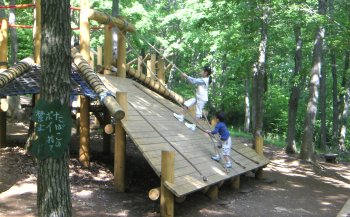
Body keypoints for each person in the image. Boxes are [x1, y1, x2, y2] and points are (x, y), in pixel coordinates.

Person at [173, 66, 212, 131]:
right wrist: (186, 77)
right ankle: (181, 117)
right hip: (198, 97)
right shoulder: (204, 78)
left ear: (206, 73)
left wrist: (186, 76)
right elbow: (193, 81)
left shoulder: (205, 80)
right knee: (187, 103)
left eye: (202, 71)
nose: (201, 71)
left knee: (198, 112)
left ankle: (193, 126)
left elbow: (194, 81)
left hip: (202, 99)